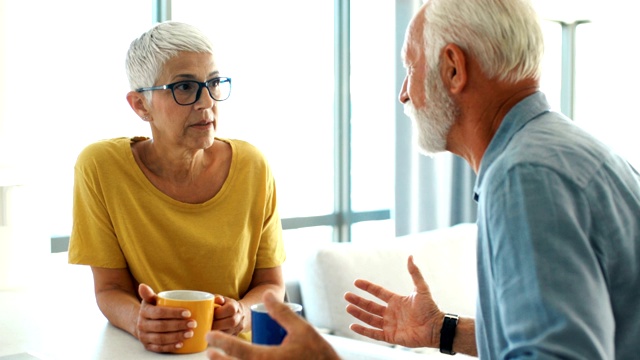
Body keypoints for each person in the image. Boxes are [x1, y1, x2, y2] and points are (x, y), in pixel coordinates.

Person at [205, 0, 640, 358]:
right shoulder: (557, 148)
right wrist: (440, 331)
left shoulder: (524, 175)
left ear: (453, 68)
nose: (404, 93)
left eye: (410, 69)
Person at [67, 21, 286, 353]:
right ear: (141, 105)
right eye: (184, 87)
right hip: (149, 354)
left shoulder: (253, 166)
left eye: (213, 83)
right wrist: (139, 321)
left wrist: (241, 312)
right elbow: (109, 288)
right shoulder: (101, 167)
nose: (206, 103)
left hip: (236, 353)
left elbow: (271, 284)